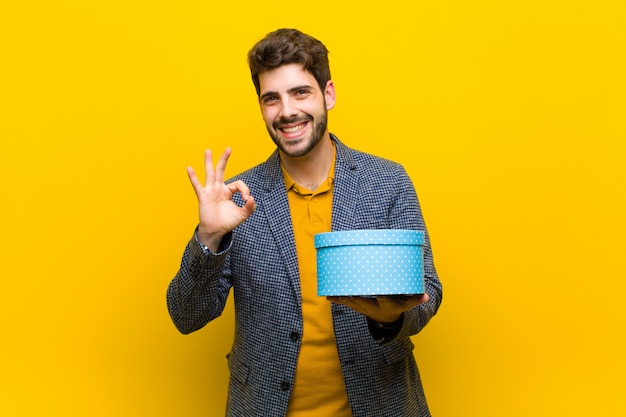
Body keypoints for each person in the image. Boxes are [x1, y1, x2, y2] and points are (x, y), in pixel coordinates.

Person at [167, 28, 443, 417]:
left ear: (327, 94)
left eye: (300, 92)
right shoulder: (236, 200)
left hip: (380, 403)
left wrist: (390, 318)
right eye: (271, 98)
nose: (286, 111)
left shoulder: (387, 182)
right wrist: (210, 237)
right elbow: (186, 316)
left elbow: (427, 290)